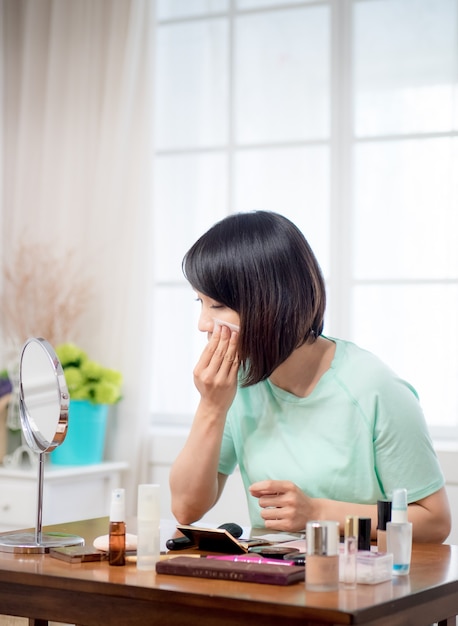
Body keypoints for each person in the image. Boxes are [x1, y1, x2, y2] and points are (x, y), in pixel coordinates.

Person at [169, 210, 451, 542]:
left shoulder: (374, 387)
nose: (203, 324)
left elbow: (433, 521)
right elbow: (187, 508)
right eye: (200, 302)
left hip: (361, 583)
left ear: (269, 303)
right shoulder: (239, 383)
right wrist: (211, 407)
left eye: (216, 306)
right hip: (275, 580)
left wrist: (318, 513)